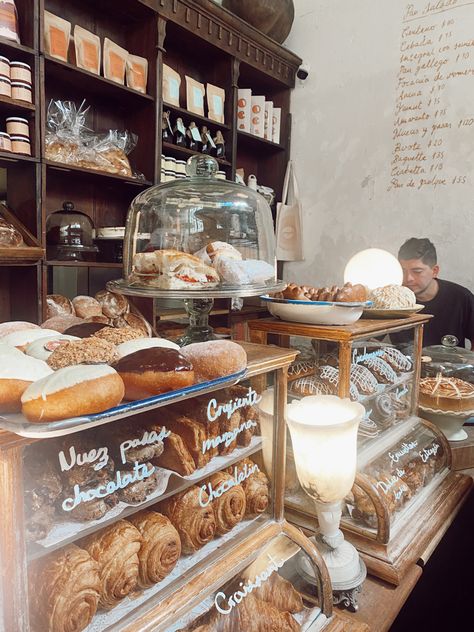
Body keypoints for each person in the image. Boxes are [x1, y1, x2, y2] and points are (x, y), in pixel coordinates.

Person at [392, 238, 474, 348]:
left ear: (434, 271)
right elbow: (372, 339)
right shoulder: (392, 299)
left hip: (450, 364)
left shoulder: (461, 297)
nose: (408, 278)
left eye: (417, 271)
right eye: (403, 271)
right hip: (403, 364)